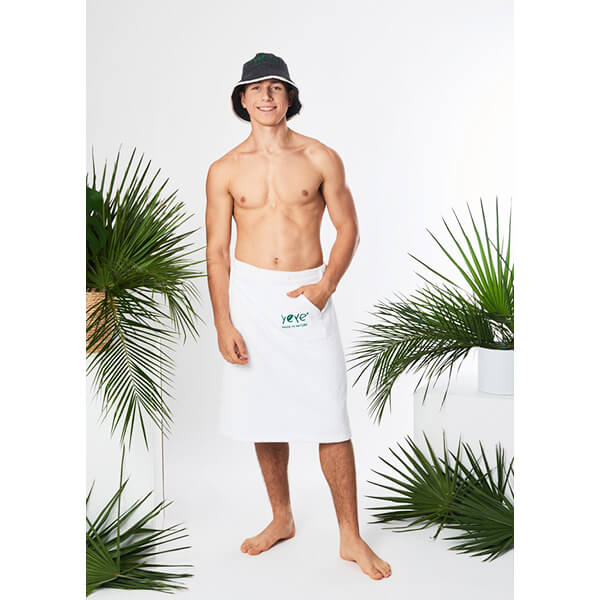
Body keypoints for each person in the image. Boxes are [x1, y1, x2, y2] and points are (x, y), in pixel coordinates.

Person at [205, 52, 391, 580]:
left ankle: (350, 536)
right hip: (251, 299)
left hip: (307, 293)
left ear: (289, 97)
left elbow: (348, 227)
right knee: (262, 412)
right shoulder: (224, 169)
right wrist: (223, 321)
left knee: (329, 414)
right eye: (255, 88)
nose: (266, 96)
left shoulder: (320, 156)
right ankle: (282, 518)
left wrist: (325, 287)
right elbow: (216, 251)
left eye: (275, 87)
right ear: (242, 100)